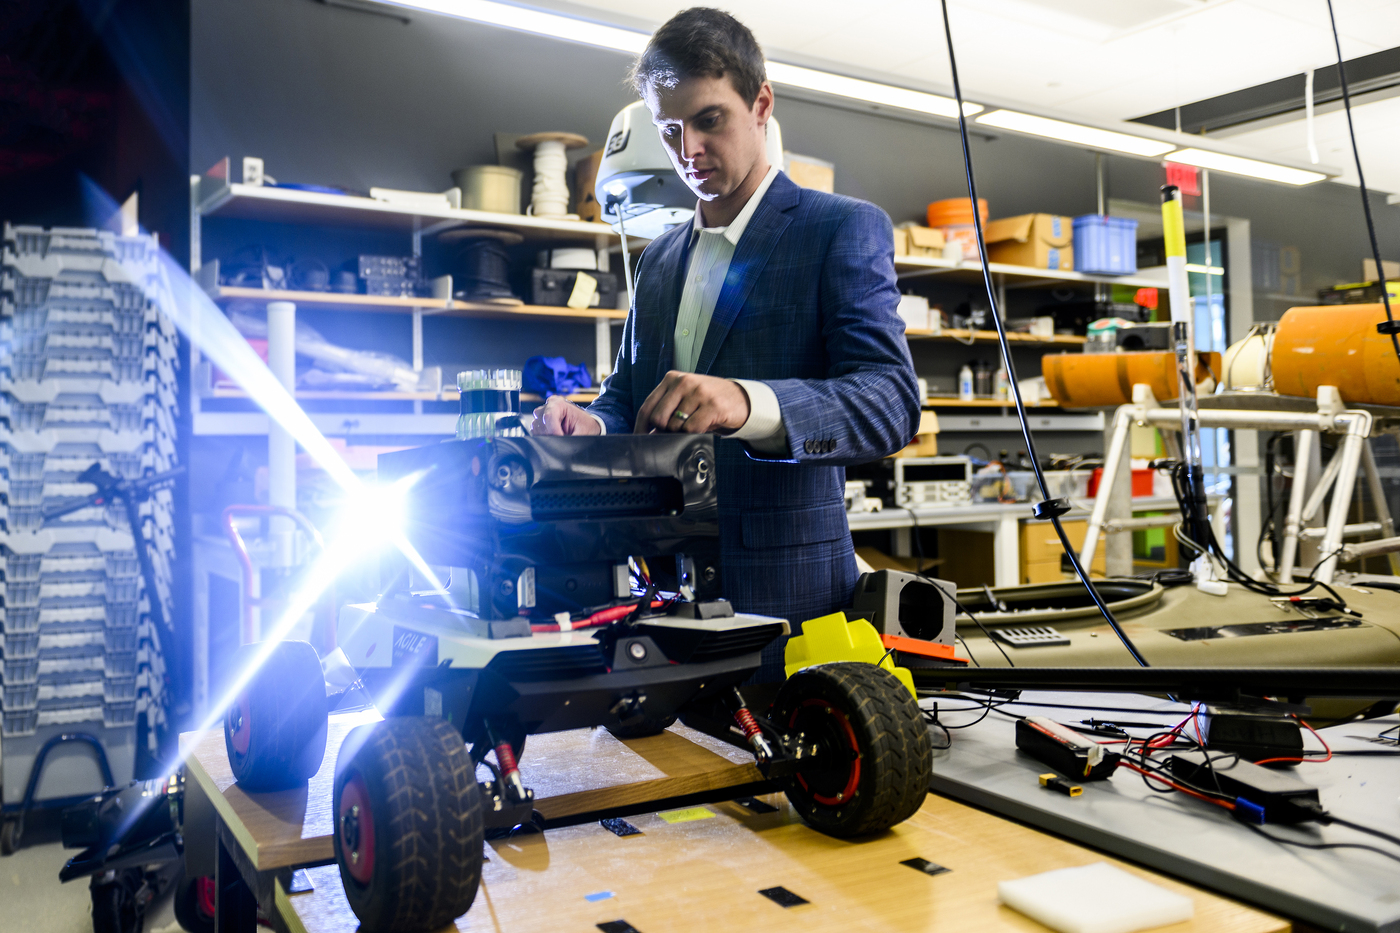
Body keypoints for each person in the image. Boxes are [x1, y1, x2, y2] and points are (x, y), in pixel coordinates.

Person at [531, 7, 919, 679]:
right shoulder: (658, 261)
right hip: (661, 604)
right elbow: (631, 394)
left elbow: (890, 402)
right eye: (669, 129)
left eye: (710, 121)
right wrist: (589, 420)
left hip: (790, 612)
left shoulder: (842, 229)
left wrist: (746, 403)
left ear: (760, 104)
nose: (688, 152)